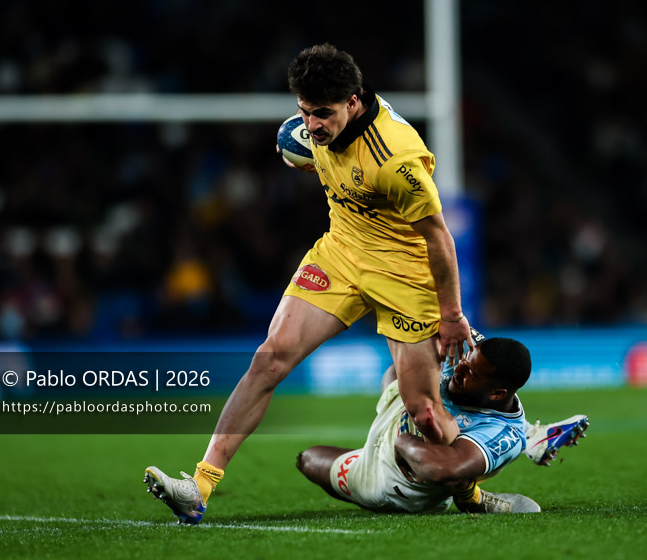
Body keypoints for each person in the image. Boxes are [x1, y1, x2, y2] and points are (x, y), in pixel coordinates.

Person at [145, 43, 475, 524]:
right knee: (268, 360)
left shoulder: (397, 159)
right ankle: (198, 486)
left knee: (423, 410)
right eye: (305, 113)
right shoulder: (307, 133)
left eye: (323, 114)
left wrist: (451, 316)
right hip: (340, 255)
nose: (313, 126)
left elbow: (439, 239)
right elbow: (314, 154)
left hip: (404, 271)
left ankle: (473, 496)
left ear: (354, 102)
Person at [296, 335, 590, 514]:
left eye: (469, 372)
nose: (458, 369)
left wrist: (404, 442)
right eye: (465, 359)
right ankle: (530, 438)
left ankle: (472, 494)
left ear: (497, 394)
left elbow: (442, 469)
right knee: (398, 372)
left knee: (308, 459)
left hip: (388, 479)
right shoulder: (471, 361)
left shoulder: (500, 432)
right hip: (401, 405)